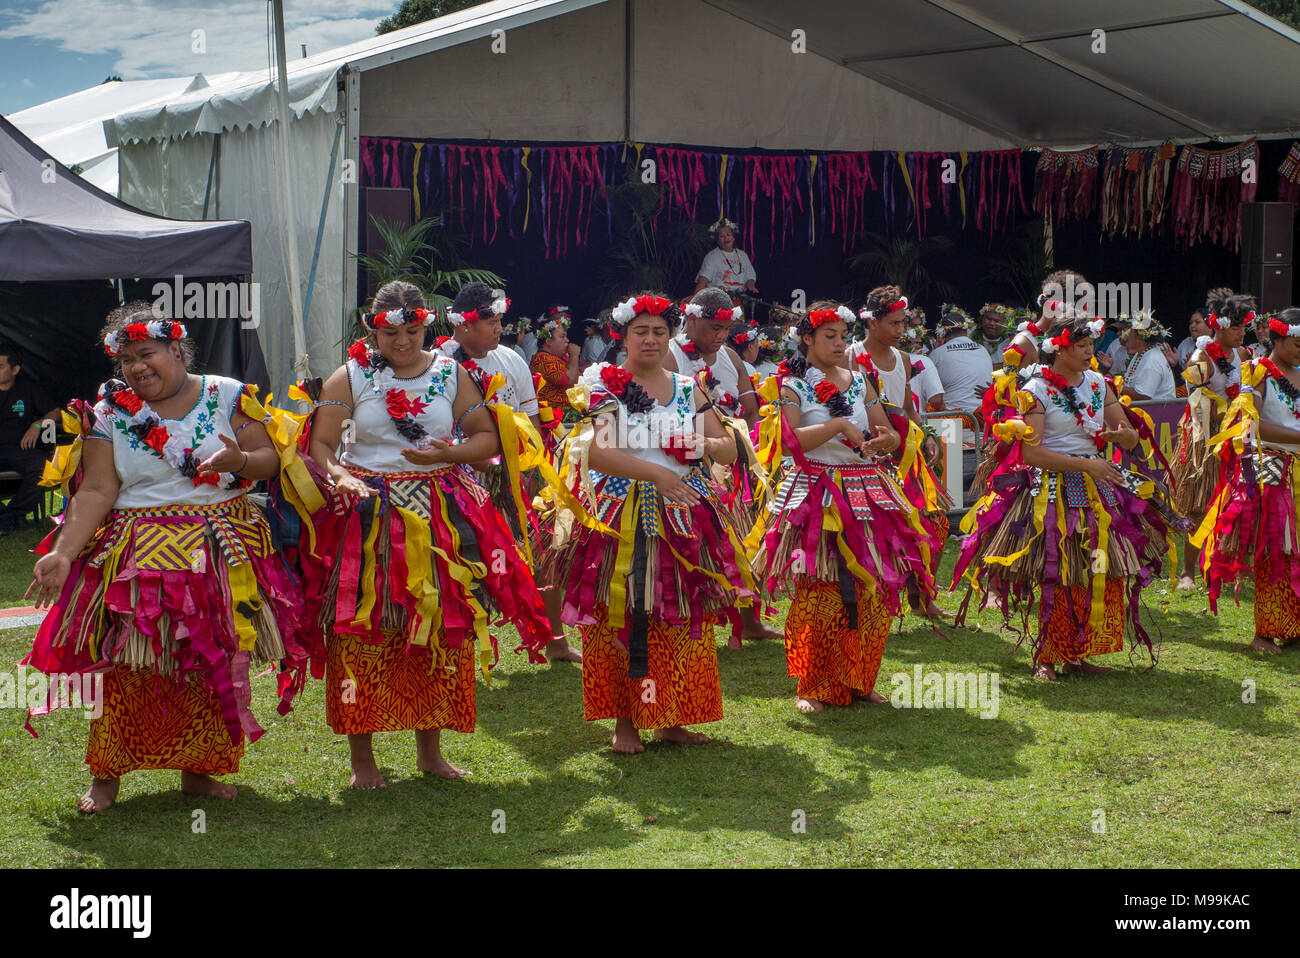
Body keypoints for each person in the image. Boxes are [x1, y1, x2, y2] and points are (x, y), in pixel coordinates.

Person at [24, 302, 317, 813]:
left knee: (210, 661)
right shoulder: (110, 413)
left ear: (174, 349)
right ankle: (106, 775)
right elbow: (95, 489)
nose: (138, 367)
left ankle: (199, 770)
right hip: (137, 554)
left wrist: (240, 461)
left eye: (147, 353)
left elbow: (270, 459)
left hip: (218, 547)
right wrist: (65, 552)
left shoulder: (228, 394)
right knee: (126, 664)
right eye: (128, 359)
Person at [297, 281, 553, 787]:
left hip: (440, 511)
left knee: (439, 622)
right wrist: (342, 475)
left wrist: (448, 454)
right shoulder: (348, 379)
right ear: (372, 329)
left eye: (412, 331)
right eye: (391, 333)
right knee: (363, 628)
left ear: (425, 326)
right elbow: (320, 446)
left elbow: (485, 440)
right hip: (367, 513)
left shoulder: (450, 373)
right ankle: (363, 761)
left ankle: (430, 751)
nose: (403, 342)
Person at [544, 293, 758, 753]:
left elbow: (727, 446)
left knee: (679, 612)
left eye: (660, 331)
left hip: (685, 512)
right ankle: (625, 723)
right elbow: (598, 452)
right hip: (619, 515)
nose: (651, 339)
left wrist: (698, 443)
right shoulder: (603, 383)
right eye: (641, 331)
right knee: (622, 611)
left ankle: (672, 716)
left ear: (670, 337)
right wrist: (658, 471)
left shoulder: (688, 386)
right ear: (623, 336)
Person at [953, 316, 1179, 679]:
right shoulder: (1036, 390)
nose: (1091, 351)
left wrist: (1124, 438)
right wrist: (1086, 465)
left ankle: (1084, 651)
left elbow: (1128, 435)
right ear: (1060, 349)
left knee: (1099, 568)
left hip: (1097, 485)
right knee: (1057, 572)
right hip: (1051, 489)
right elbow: (1031, 454)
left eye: (1092, 345)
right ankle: (1048, 653)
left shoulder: (1099, 383)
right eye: (1082, 346)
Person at [749, 301, 931, 711]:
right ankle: (811, 683)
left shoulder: (860, 380)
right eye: (828, 336)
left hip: (867, 489)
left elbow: (885, 432)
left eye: (842, 337)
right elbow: (790, 443)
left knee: (873, 585)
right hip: (816, 491)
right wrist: (837, 426)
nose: (838, 343)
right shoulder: (791, 384)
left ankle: (859, 676)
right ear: (807, 339)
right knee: (820, 588)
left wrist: (886, 440)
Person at [1193, 309, 1300, 652]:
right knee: (1275, 549)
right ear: (1277, 338)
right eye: (1297, 343)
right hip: (1273, 466)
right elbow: (1254, 425)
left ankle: (1294, 626)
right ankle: (1265, 632)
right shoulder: (1256, 372)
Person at [852, 286, 950, 616]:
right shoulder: (851, 356)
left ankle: (922, 599)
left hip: (905, 454)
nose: (900, 330)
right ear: (872, 322)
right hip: (867, 453)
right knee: (880, 529)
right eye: (893, 323)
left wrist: (929, 435)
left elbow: (909, 409)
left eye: (902, 323)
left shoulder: (905, 359)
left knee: (933, 522)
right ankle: (876, 599)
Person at [1170, 288, 1255, 590]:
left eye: (1245, 326)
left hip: (1236, 441)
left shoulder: (1243, 354)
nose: (1242, 333)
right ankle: (1188, 573)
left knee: (1236, 504)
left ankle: (1228, 566)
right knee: (1201, 507)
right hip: (1205, 443)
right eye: (1236, 327)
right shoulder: (1201, 357)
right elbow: (1187, 395)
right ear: (1219, 326)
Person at [666, 286, 761, 426]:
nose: (723, 336)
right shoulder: (669, 356)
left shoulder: (731, 357)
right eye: (716, 328)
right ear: (692, 319)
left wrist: (745, 445)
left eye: (727, 328)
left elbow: (752, 412)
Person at [0, 344, 61, 533]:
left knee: (43, 465)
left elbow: (56, 412)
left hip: (17, 450)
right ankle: (6, 519)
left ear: (15, 369)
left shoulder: (27, 388)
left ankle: (14, 515)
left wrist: (38, 424)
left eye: (0, 366)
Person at [928, 309, 994, 415]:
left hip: (953, 418)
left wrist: (937, 351)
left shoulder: (938, 353)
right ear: (966, 329)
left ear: (943, 333)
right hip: (982, 416)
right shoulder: (982, 349)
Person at [530, 306, 581, 413]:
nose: (567, 340)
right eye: (562, 337)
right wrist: (574, 356)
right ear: (548, 340)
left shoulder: (559, 357)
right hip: (554, 419)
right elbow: (570, 381)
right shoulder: (542, 360)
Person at [1118, 311, 1176, 402]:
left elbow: (1144, 397)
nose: (1127, 336)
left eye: (1131, 332)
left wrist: (1116, 387)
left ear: (1139, 338)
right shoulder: (1141, 354)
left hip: (1158, 414)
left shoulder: (1152, 359)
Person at [693, 217, 758, 298]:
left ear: (733, 237)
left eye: (728, 235)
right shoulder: (712, 256)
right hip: (717, 299)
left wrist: (750, 284)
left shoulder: (743, 255)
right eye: (722, 236)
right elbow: (703, 279)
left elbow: (750, 277)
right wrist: (694, 297)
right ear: (717, 240)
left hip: (739, 299)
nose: (726, 238)